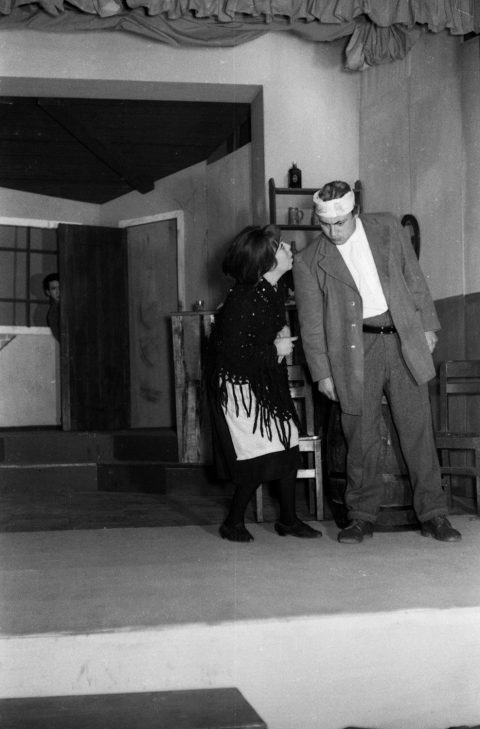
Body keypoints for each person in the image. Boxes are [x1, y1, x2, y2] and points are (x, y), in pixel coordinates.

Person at [293, 181, 461, 544]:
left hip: (402, 340)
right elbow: (310, 325)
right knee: (360, 436)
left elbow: (414, 277)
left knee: (417, 430)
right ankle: (360, 517)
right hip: (354, 351)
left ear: (355, 212)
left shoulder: (387, 226)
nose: (333, 232)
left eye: (340, 223)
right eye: (325, 225)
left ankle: (434, 514)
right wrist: (322, 373)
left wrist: (427, 326)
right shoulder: (308, 261)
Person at [207, 224, 322, 542]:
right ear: (265, 263)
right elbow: (234, 356)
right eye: (280, 247)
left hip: (265, 383)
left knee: (287, 444)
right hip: (241, 390)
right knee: (258, 455)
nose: (287, 248)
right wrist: (276, 349)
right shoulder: (244, 299)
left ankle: (288, 520)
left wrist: (277, 338)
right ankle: (233, 523)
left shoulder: (270, 290)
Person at [43, 273, 60, 342]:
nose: (58, 292)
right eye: (54, 289)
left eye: (60, 287)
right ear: (48, 292)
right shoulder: (53, 313)